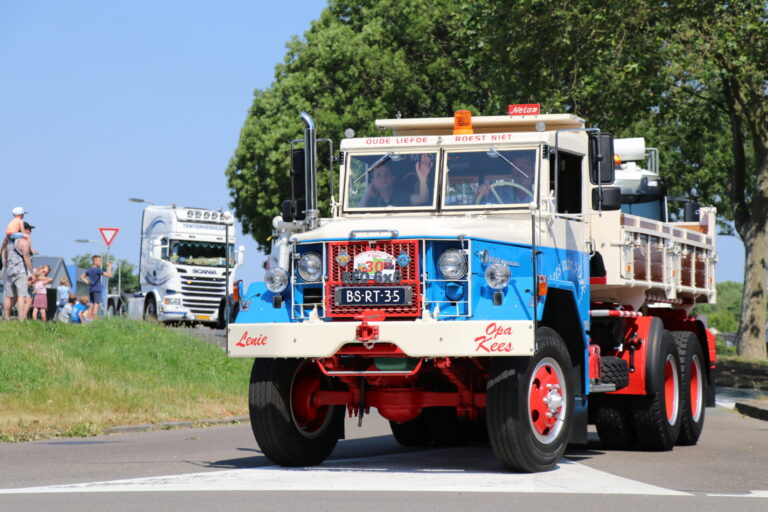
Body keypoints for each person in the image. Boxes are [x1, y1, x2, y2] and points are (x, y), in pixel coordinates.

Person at [357, 154, 434, 207]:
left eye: (386, 174)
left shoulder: (401, 195)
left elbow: (422, 199)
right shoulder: (372, 200)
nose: (383, 178)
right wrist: (367, 194)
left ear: (392, 179)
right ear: (373, 181)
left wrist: (423, 178)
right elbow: (357, 215)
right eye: (378, 175)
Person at [2, 222, 34, 320]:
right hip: (20, 271)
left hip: (9, 271)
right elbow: (26, 258)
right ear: (23, 230)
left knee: (8, 296)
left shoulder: (8, 241)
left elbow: (5, 255)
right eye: (29, 229)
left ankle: (6, 318)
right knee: (21, 295)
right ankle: (21, 319)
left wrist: (6, 265)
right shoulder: (23, 241)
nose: (30, 232)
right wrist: (32, 272)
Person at [80, 255, 112, 320]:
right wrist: (109, 266)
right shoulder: (98, 270)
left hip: (91, 289)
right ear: (95, 261)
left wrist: (88, 282)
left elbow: (82, 276)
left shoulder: (89, 270)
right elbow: (109, 275)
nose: (101, 262)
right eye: (99, 261)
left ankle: (88, 318)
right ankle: (94, 318)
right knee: (96, 304)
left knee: (91, 304)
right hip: (97, 289)